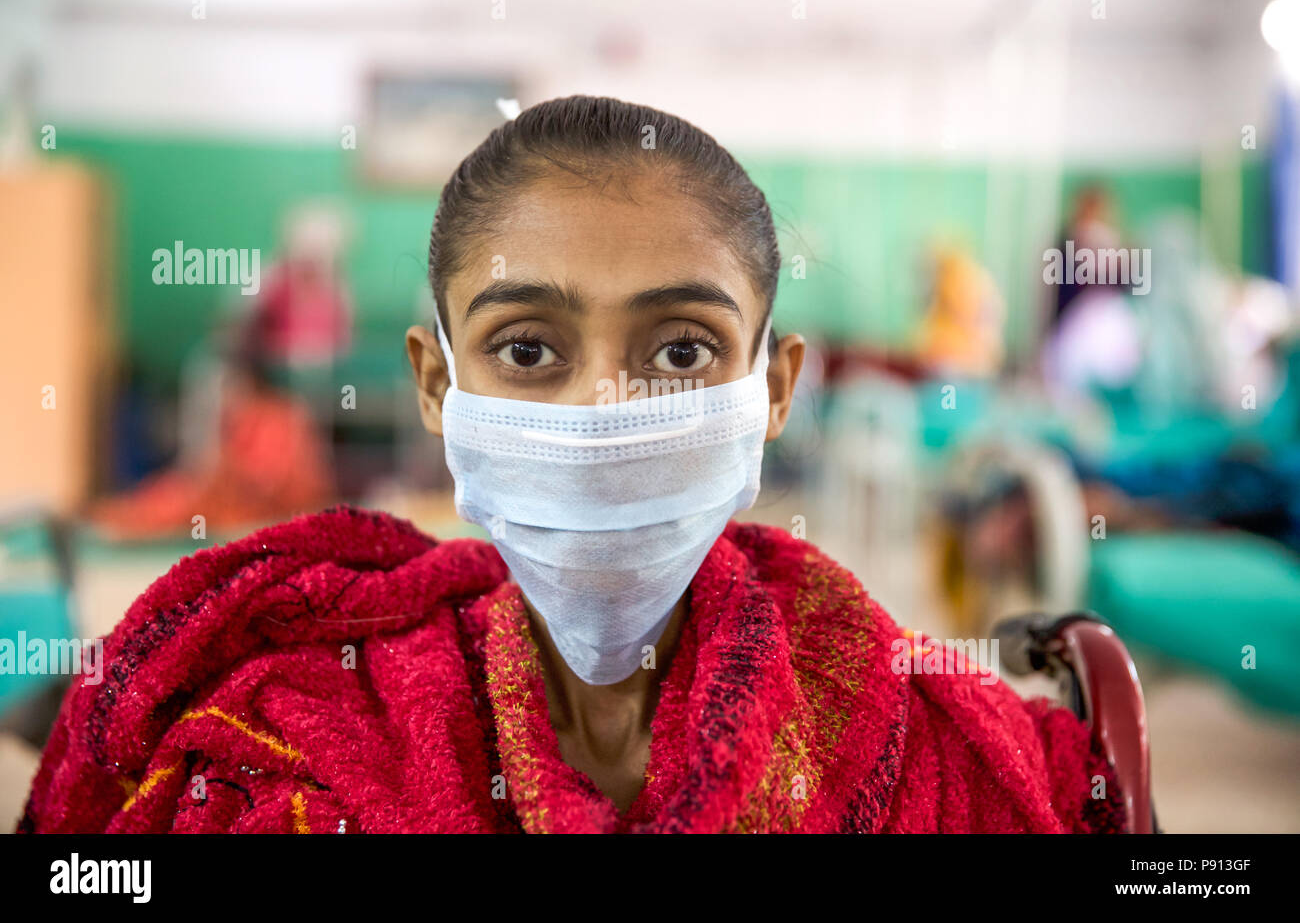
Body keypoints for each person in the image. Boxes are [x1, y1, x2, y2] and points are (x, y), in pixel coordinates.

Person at [19, 96, 1123, 833]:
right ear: (438, 383)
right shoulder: (298, 728)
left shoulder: (904, 727)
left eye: (681, 349)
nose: (604, 409)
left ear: (774, 387)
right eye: (529, 348)